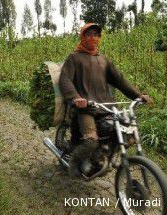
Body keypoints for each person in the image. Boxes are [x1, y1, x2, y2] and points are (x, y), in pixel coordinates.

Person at [59, 23, 152, 175]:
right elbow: (65, 80)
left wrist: (138, 95)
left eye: (96, 34)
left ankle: (101, 158)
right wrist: (76, 98)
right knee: (91, 141)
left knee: (127, 136)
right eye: (89, 34)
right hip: (85, 108)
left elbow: (120, 81)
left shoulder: (103, 59)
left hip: (106, 106)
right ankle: (74, 161)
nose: (93, 37)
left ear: (99, 38)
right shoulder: (74, 58)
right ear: (83, 36)